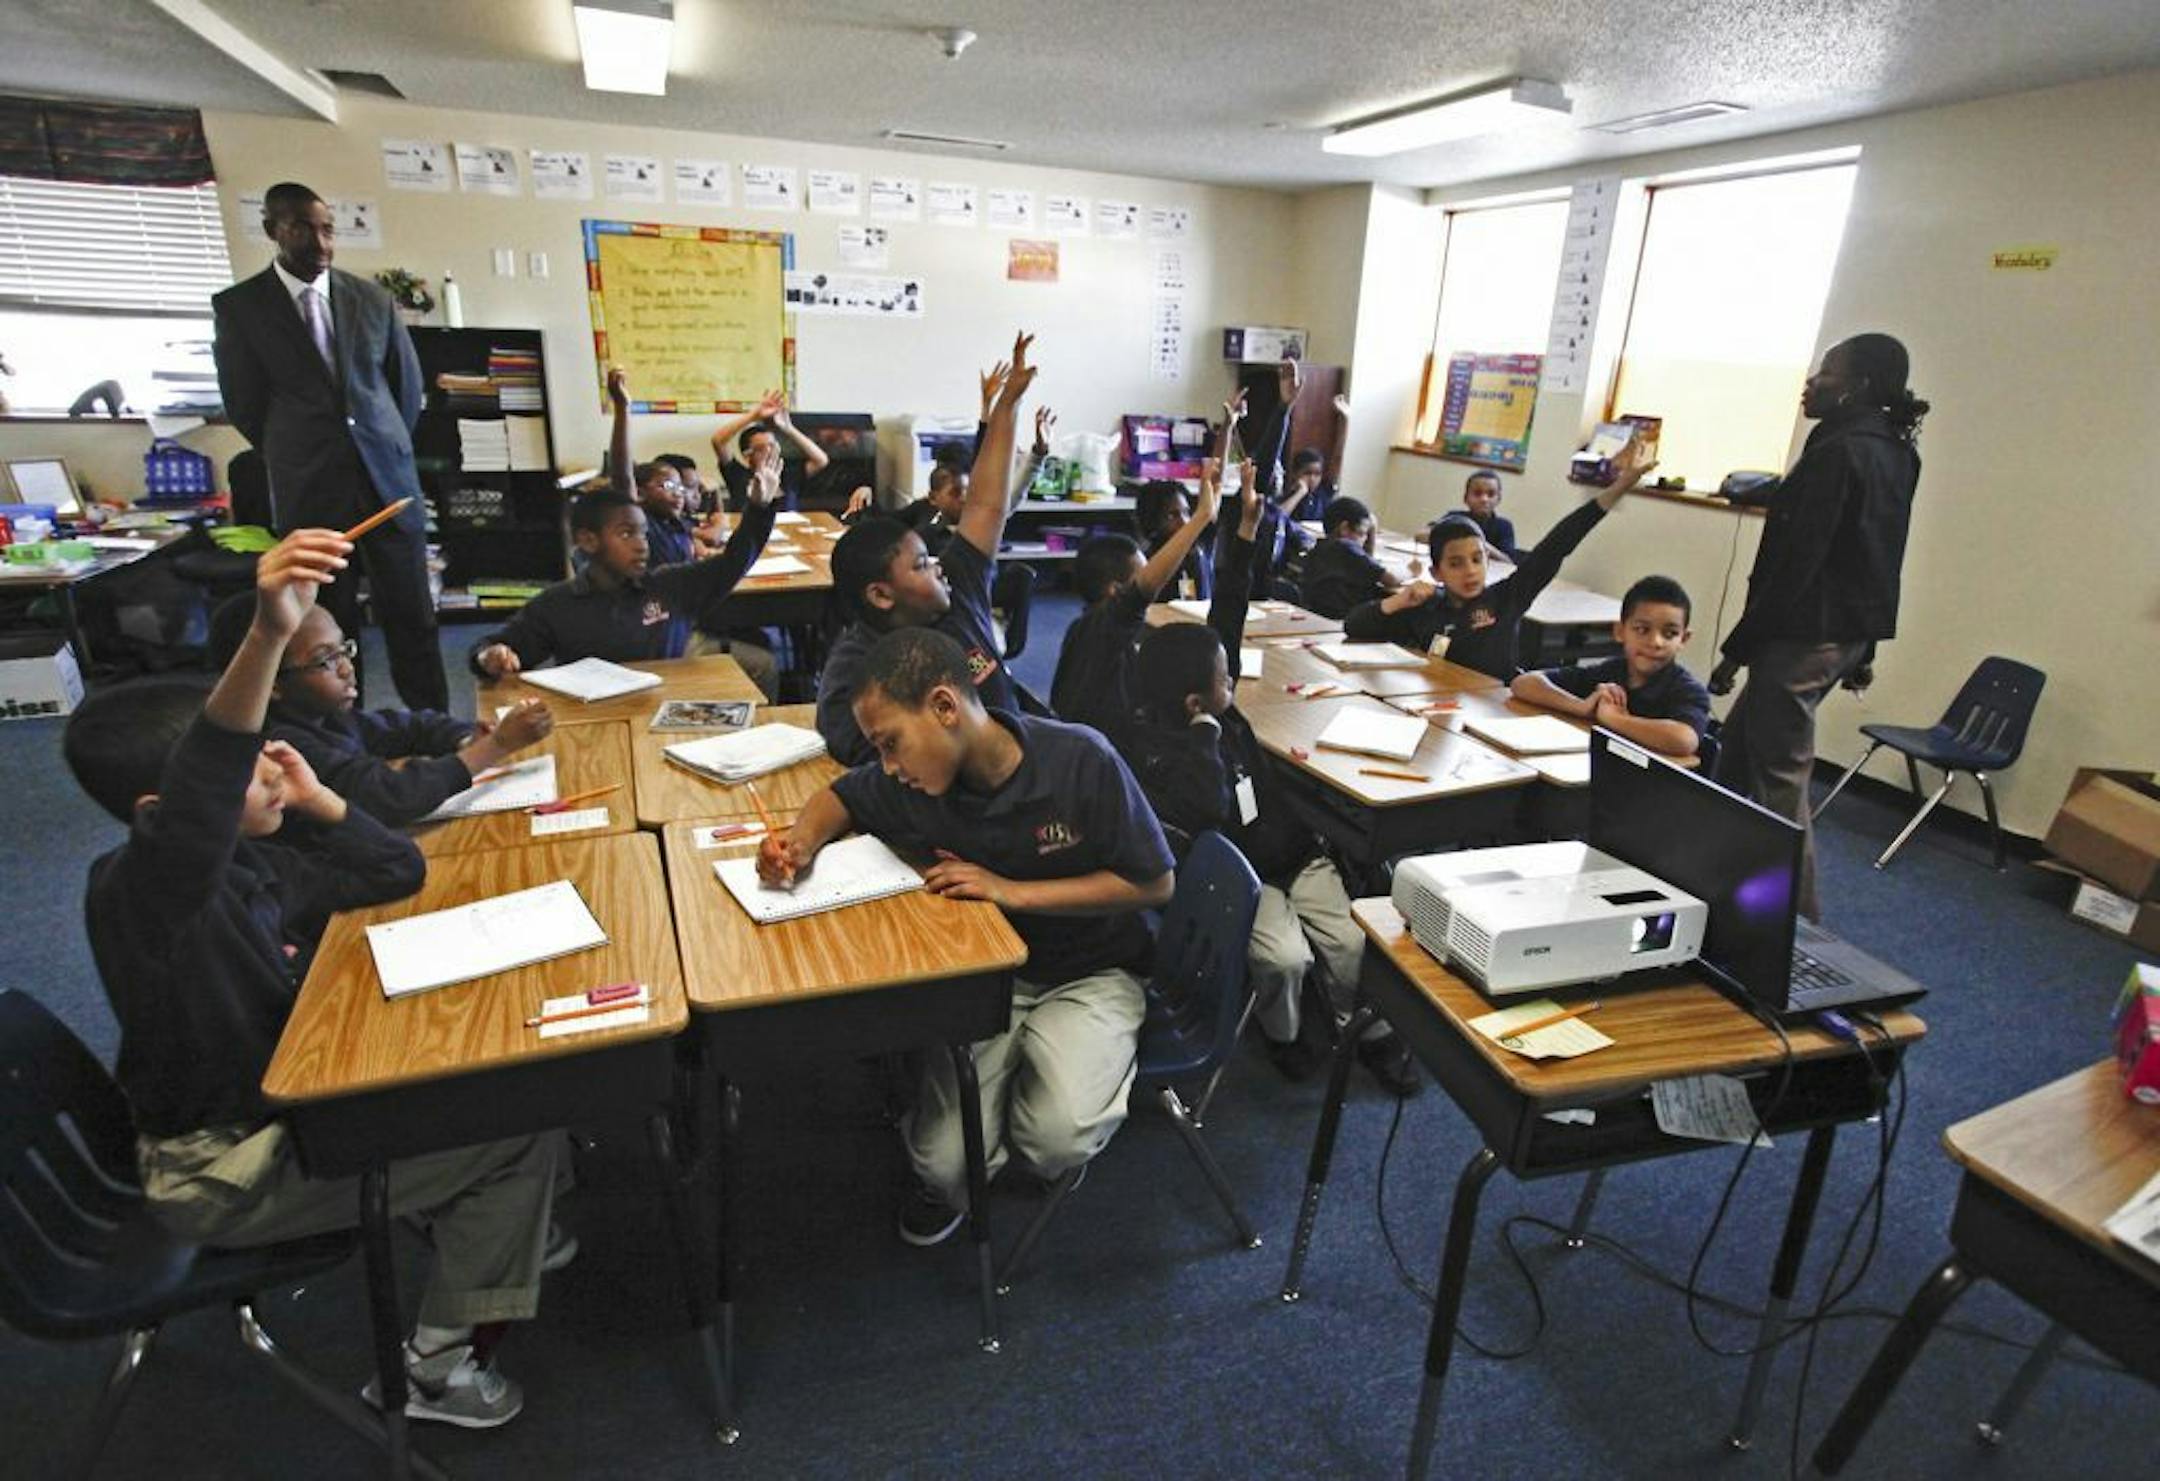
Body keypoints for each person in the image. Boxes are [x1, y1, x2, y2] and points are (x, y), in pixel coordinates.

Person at [64, 530, 562, 1429]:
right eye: (246, 768)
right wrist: (265, 633)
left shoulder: (252, 863)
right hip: (226, 1164)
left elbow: (391, 873)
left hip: (276, 1102)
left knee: (495, 1074)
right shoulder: (147, 894)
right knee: (519, 1132)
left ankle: (492, 1237)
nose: (271, 769)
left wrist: (326, 803)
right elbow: (210, 779)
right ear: (160, 817)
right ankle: (436, 1371)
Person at [761, 627, 1175, 1244]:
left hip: (1092, 969)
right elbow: (840, 795)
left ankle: (1040, 1130)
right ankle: (994, 1132)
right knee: (948, 1167)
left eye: (892, 744)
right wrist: (798, 842)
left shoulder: (1080, 759)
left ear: (946, 708)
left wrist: (1011, 890)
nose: (890, 767)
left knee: (1056, 1139)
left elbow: (1154, 883)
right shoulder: (920, 779)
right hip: (985, 983)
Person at [1128, 470, 1421, 1095]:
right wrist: (1208, 733)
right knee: (1283, 958)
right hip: (1246, 878)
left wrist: (1245, 531)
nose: (1233, 686)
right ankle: (1288, 1034)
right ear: (1191, 703)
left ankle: (1365, 1032)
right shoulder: (1172, 755)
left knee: (1349, 943)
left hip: (1291, 856)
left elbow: (1226, 611)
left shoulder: (1218, 709)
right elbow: (1208, 804)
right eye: (1223, 682)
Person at [1710, 333, 1929, 919]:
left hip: (1802, 634)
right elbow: (1882, 556)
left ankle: (1797, 928)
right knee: (1732, 756)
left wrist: (1737, 650)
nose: (1811, 381)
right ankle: (1709, 879)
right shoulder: (1896, 450)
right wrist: (1865, 651)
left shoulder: (1838, 451)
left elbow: (1795, 564)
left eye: (1826, 372)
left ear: (1855, 385)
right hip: (1840, 630)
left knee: (1781, 778)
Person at [212, 181, 447, 712]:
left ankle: (435, 723)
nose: (319, 242)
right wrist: (298, 449)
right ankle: (345, 729)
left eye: (327, 229)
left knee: (413, 616)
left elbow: (403, 390)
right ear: (273, 230)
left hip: (386, 482)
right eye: (301, 228)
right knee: (326, 624)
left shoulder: (371, 299)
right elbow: (246, 405)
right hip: (312, 488)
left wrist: (380, 442)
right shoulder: (240, 307)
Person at [816, 332, 1036, 766]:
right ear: (881, 595)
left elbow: (987, 504)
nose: (937, 566)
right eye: (920, 565)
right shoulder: (855, 672)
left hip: (1018, 770)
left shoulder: (957, 589)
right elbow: (872, 766)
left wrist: (1008, 406)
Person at [207, 594, 553, 827]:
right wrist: (495, 747)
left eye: (344, 650)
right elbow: (388, 796)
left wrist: (463, 738)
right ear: (272, 683)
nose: (346, 668)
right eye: (324, 660)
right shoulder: (281, 746)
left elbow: (406, 726)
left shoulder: (324, 714)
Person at [1342, 438, 1656, 678]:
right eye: (1456, 563)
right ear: (1436, 572)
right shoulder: (1425, 606)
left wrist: (1619, 487)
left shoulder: (1506, 598)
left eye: (1477, 559)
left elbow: (1558, 543)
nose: (1470, 571)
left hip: (1491, 710)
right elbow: (1354, 625)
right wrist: (1397, 602)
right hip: (1434, 704)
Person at [470, 447, 778, 678]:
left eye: (643, 533)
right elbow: (496, 648)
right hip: (601, 719)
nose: (641, 544)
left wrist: (759, 509)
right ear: (588, 541)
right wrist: (490, 657)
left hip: (669, 708)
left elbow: (734, 561)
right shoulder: (556, 605)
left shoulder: (670, 585)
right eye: (627, 534)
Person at [1050, 454, 1223, 742]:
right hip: (1107, 758)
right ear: (1116, 591)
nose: (1151, 584)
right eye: (1142, 577)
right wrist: (1201, 517)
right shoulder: (1104, 632)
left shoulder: (1084, 628)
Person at [1509, 574, 1710, 758]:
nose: (1656, 642)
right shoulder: (1611, 672)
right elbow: (1524, 684)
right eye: (1642, 629)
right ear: (1620, 631)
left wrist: (1615, 720)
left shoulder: (1687, 690)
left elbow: (1684, 739)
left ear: (1684, 638)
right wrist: (1581, 707)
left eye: (1669, 634)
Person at [711, 390, 829, 511]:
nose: (769, 451)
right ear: (747, 456)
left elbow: (821, 460)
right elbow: (718, 441)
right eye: (761, 448)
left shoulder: (787, 475)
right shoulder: (737, 475)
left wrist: (788, 429)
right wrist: (753, 416)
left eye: (772, 445)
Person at [1298, 496, 1401, 619]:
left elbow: (1368, 562)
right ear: (1344, 528)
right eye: (1362, 533)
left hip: (1319, 616)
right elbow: (1391, 579)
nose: (1364, 541)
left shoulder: (1321, 547)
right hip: (1342, 620)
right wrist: (1412, 571)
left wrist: (1370, 530)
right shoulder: (1346, 547)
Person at [1135, 478, 1213, 602]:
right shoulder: (1146, 564)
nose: (1184, 522)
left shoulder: (1194, 556)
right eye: (1172, 515)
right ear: (1152, 520)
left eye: (1186, 513)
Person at [1460, 471, 1522, 560]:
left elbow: (1508, 560)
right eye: (1477, 493)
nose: (1484, 499)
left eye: (1491, 494)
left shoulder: (1504, 526)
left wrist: (1480, 544)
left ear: (1498, 499)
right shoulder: (1455, 519)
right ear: (1466, 498)